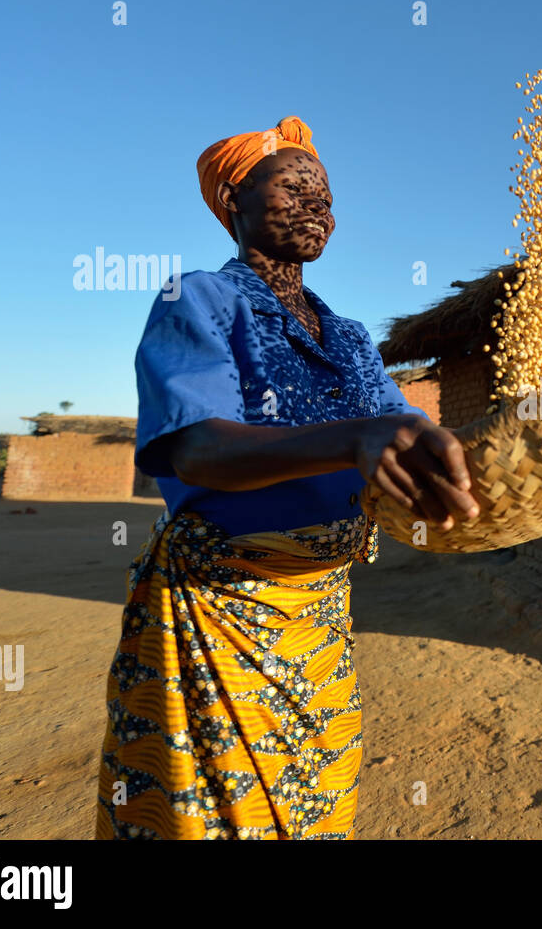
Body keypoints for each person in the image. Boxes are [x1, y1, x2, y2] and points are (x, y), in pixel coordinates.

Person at [96, 116, 478, 839]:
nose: (317, 204)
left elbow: (407, 437)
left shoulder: (351, 336)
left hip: (320, 620)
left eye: (326, 192)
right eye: (294, 185)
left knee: (317, 806)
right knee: (211, 817)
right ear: (233, 200)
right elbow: (199, 450)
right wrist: (357, 438)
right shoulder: (200, 299)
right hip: (219, 611)